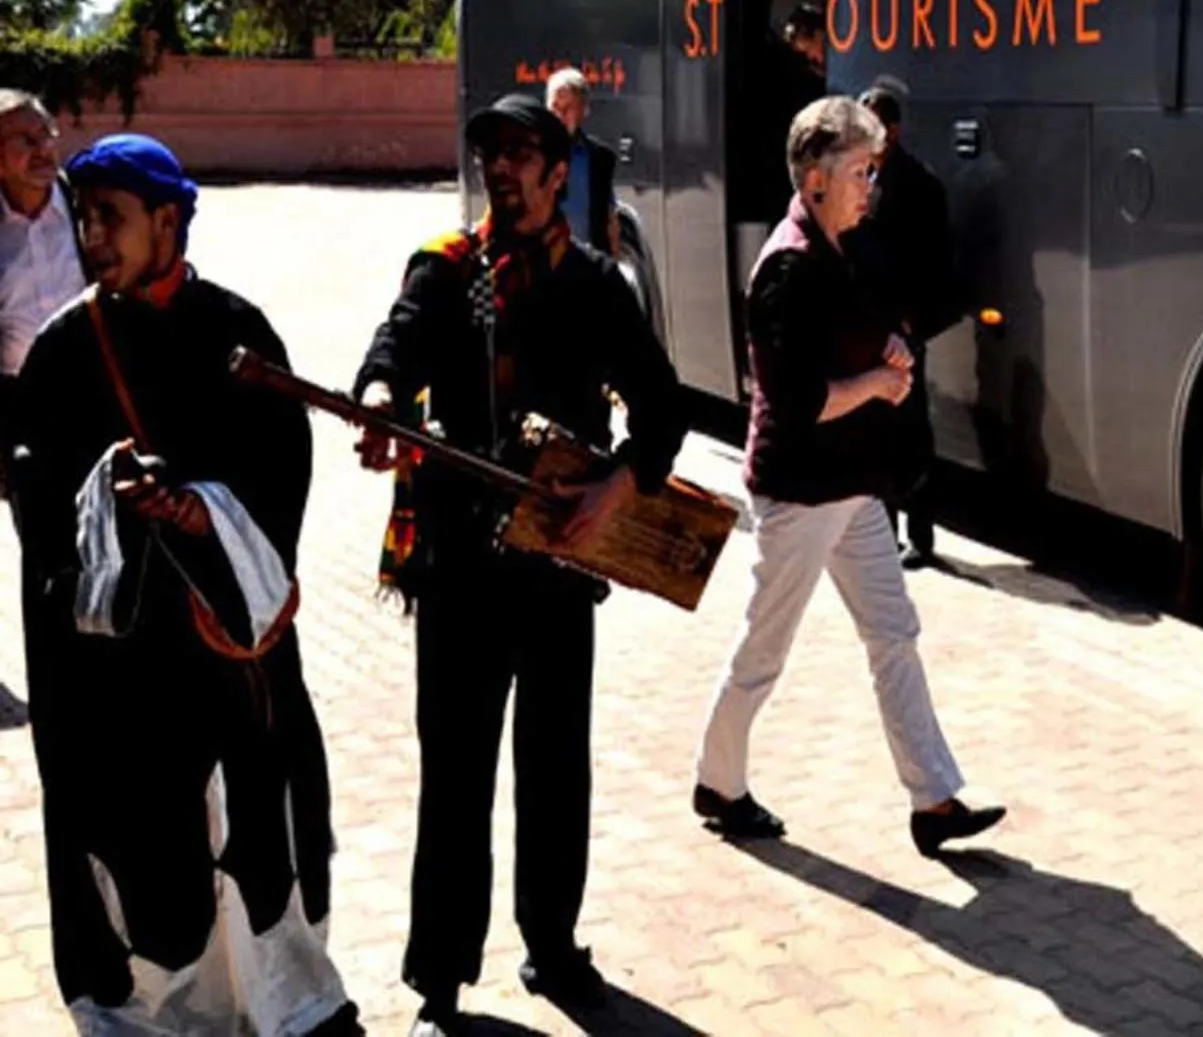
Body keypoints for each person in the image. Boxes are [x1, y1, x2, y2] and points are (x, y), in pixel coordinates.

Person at [9, 135, 360, 1035]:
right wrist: (109, 507)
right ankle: (167, 1014)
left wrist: (203, 514)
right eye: (84, 217)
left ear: (169, 220)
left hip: (226, 655)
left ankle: (282, 1001)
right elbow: (38, 501)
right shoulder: (60, 354)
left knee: (257, 838)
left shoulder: (239, 333)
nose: (92, 235)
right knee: (151, 856)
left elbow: (281, 472)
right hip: (124, 674)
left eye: (111, 218)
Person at [353, 92, 687, 1037]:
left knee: (555, 767)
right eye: (490, 153)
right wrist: (380, 394)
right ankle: (441, 982)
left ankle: (554, 946)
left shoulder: (593, 284)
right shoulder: (448, 269)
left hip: (557, 563)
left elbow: (662, 413)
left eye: (520, 153)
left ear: (556, 171)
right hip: (459, 564)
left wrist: (615, 491)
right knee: (454, 773)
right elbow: (395, 345)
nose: (501, 168)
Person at [692, 96, 1004, 856]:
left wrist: (892, 352)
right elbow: (796, 404)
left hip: (852, 486)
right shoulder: (785, 270)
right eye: (862, 170)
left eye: (875, 168)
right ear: (815, 176)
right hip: (800, 491)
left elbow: (871, 331)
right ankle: (717, 780)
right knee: (766, 648)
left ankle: (933, 800)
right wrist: (875, 384)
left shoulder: (845, 244)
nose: (873, 184)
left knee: (893, 632)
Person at [852, 81, 960, 568]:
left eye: (872, 125)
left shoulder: (917, 184)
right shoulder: (862, 178)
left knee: (910, 428)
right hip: (872, 320)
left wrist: (913, 317)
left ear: (893, 130)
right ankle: (885, 531)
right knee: (879, 429)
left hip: (903, 323)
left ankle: (921, 534)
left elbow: (933, 259)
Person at [0, 92, 87, 432]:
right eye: (25, 140)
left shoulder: (87, 205)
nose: (42, 148)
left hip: (89, 386)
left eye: (47, 133)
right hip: (15, 400)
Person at [544, 66, 620, 255]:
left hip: (588, 271)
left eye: (568, 108)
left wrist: (614, 268)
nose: (560, 115)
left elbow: (609, 219)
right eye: (555, 107)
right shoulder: (533, 156)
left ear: (584, 110)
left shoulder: (600, 158)